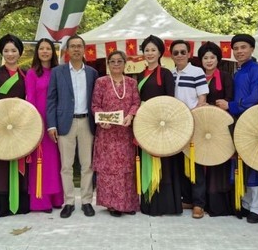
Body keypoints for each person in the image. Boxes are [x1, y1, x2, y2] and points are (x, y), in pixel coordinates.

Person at [47, 34, 98, 218]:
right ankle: (68, 202)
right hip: (64, 123)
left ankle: (86, 201)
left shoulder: (92, 73)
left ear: (84, 50)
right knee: (66, 166)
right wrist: (51, 125)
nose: (76, 49)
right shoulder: (57, 72)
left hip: (87, 122)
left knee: (87, 165)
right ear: (67, 50)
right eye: (73, 46)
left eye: (79, 46)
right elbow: (51, 99)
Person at [217, 34, 258, 224]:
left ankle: (257, 207)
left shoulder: (257, 69)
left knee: (253, 163)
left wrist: (231, 105)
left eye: (243, 47)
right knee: (240, 162)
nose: (239, 51)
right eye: (236, 48)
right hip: (239, 121)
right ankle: (245, 203)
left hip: (252, 121)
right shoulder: (237, 71)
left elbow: (254, 97)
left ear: (252, 49)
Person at [0, 34, 29, 219]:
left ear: (19, 53)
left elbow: (30, 99)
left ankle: (20, 204)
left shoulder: (25, 73)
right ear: (1, 52)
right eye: (6, 51)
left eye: (13, 50)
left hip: (20, 126)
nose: (10, 54)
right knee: (1, 163)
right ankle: (2, 205)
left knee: (19, 159)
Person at [91, 50, 141, 216]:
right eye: (113, 61)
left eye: (120, 61)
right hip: (107, 134)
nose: (116, 64)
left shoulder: (131, 83)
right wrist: (101, 120)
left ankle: (127, 203)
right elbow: (95, 105)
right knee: (109, 169)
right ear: (108, 63)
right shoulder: (101, 82)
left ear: (125, 63)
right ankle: (112, 204)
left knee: (126, 169)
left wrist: (131, 115)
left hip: (125, 133)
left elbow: (136, 102)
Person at [137, 35, 181, 216]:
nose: (150, 53)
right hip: (145, 124)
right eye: (146, 50)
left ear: (160, 52)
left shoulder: (166, 74)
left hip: (162, 124)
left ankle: (165, 205)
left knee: (164, 164)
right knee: (147, 158)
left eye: (153, 50)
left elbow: (171, 100)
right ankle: (148, 203)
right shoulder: (140, 74)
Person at [170, 40, 209, 219]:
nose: (179, 55)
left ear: (188, 53)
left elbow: (202, 97)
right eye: (176, 52)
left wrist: (193, 117)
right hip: (175, 125)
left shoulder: (197, 71)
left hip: (193, 123)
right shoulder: (170, 74)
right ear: (171, 55)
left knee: (195, 163)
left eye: (182, 52)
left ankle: (199, 203)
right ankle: (187, 199)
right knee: (179, 164)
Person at [25, 38, 63, 212]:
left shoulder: (59, 72)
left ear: (53, 52)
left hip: (56, 121)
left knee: (56, 161)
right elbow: (30, 98)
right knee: (41, 161)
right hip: (39, 120)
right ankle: (42, 200)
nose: (45, 51)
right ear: (37, 52)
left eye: (48, 48)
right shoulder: (32, 73)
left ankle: (56, 198)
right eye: (42, 48)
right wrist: (35, 122)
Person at [197, 41, 235, 217]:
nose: (209, 61)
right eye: (205, 57)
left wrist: (218, 105)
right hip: (202, 127)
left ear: (218, 59)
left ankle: (218, 204)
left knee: (219, 162)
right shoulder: (198, 76)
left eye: (212, 57)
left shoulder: (226, 76)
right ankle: (200, 201)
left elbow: (229, 98)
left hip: (220, 126)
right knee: (201, 161)